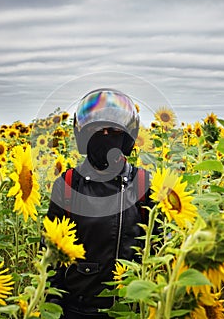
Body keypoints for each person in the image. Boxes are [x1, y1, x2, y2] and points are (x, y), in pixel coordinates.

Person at [45, 88, 153, 318]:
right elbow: (51, 255)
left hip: (128, 309)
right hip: (77, 309)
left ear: (126, 139)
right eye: (97, 130)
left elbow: (157, 249)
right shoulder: (68, 185)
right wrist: (52, 307)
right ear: (84, 136)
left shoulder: (142, 183)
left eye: (114, 131)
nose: (106, 136)